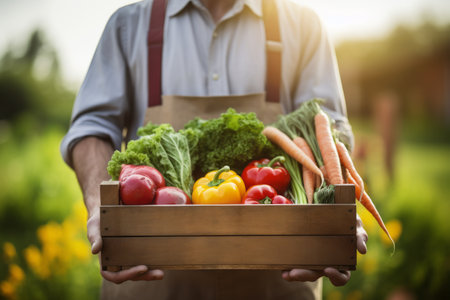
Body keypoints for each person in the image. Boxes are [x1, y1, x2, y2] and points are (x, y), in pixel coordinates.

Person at [61, 0, 368, 299]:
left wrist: (331, 212)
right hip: (151, 276)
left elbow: (328, 129)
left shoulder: (303, 25)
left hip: (279, 278)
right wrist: (100, 208)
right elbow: (92, 129)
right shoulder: (128, 26)